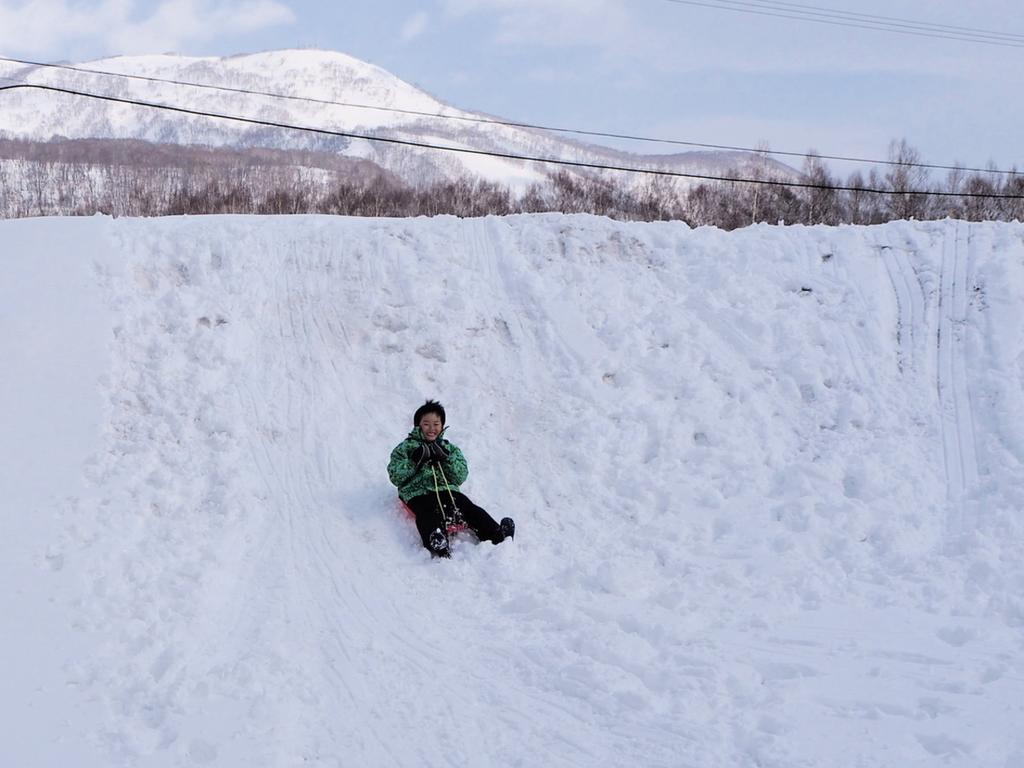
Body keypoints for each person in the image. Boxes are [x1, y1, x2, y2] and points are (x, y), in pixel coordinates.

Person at [388, 399, 514, 558]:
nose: (431, 428)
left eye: (436, 424)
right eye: (426, 424)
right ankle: (436, 540)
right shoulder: (406, 448)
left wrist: (446, 459)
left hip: (446, 490)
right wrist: (415, 461)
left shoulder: (449, 448)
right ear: (417, 425)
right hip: (417, 492)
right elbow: (395, 475)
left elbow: (460, 475)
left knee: (468, 508)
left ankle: (498, 534)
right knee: (428, 513)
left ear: (442, 426)